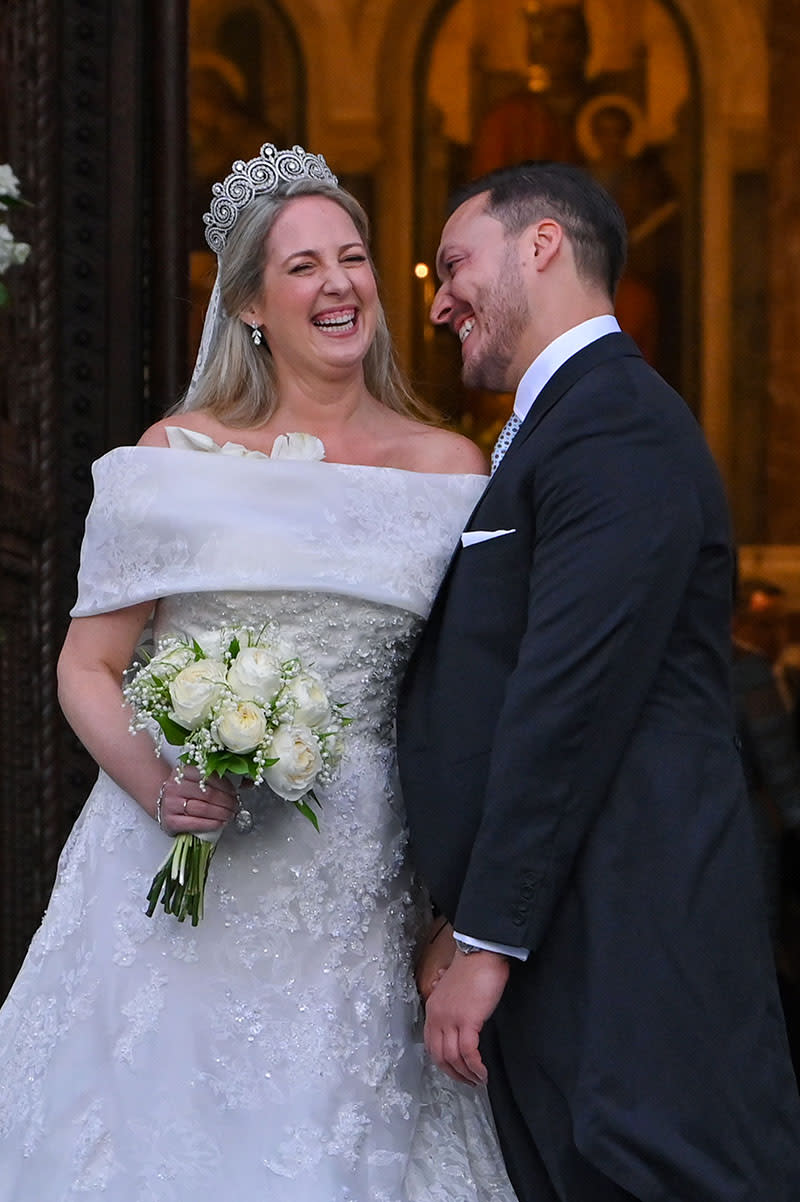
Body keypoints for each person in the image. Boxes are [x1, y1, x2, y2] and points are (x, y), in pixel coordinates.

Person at [0, 144, 519, 1201]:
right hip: (176, 876)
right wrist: (162, 784)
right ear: (245, 302)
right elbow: (87, 666)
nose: (339, 284)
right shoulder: (174, 459)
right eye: (302, 267)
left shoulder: (449, 470)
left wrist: (461, 904)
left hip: (357, 876)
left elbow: (470, 696)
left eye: (355, 257)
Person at [396, 161, 800, 1202]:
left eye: (453, 264)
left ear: (540, 246)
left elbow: (566, 698)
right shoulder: (551, 422)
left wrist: (483, 939)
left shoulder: (613, 420)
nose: (436, 298)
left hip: (624, 932)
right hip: (567, 928)